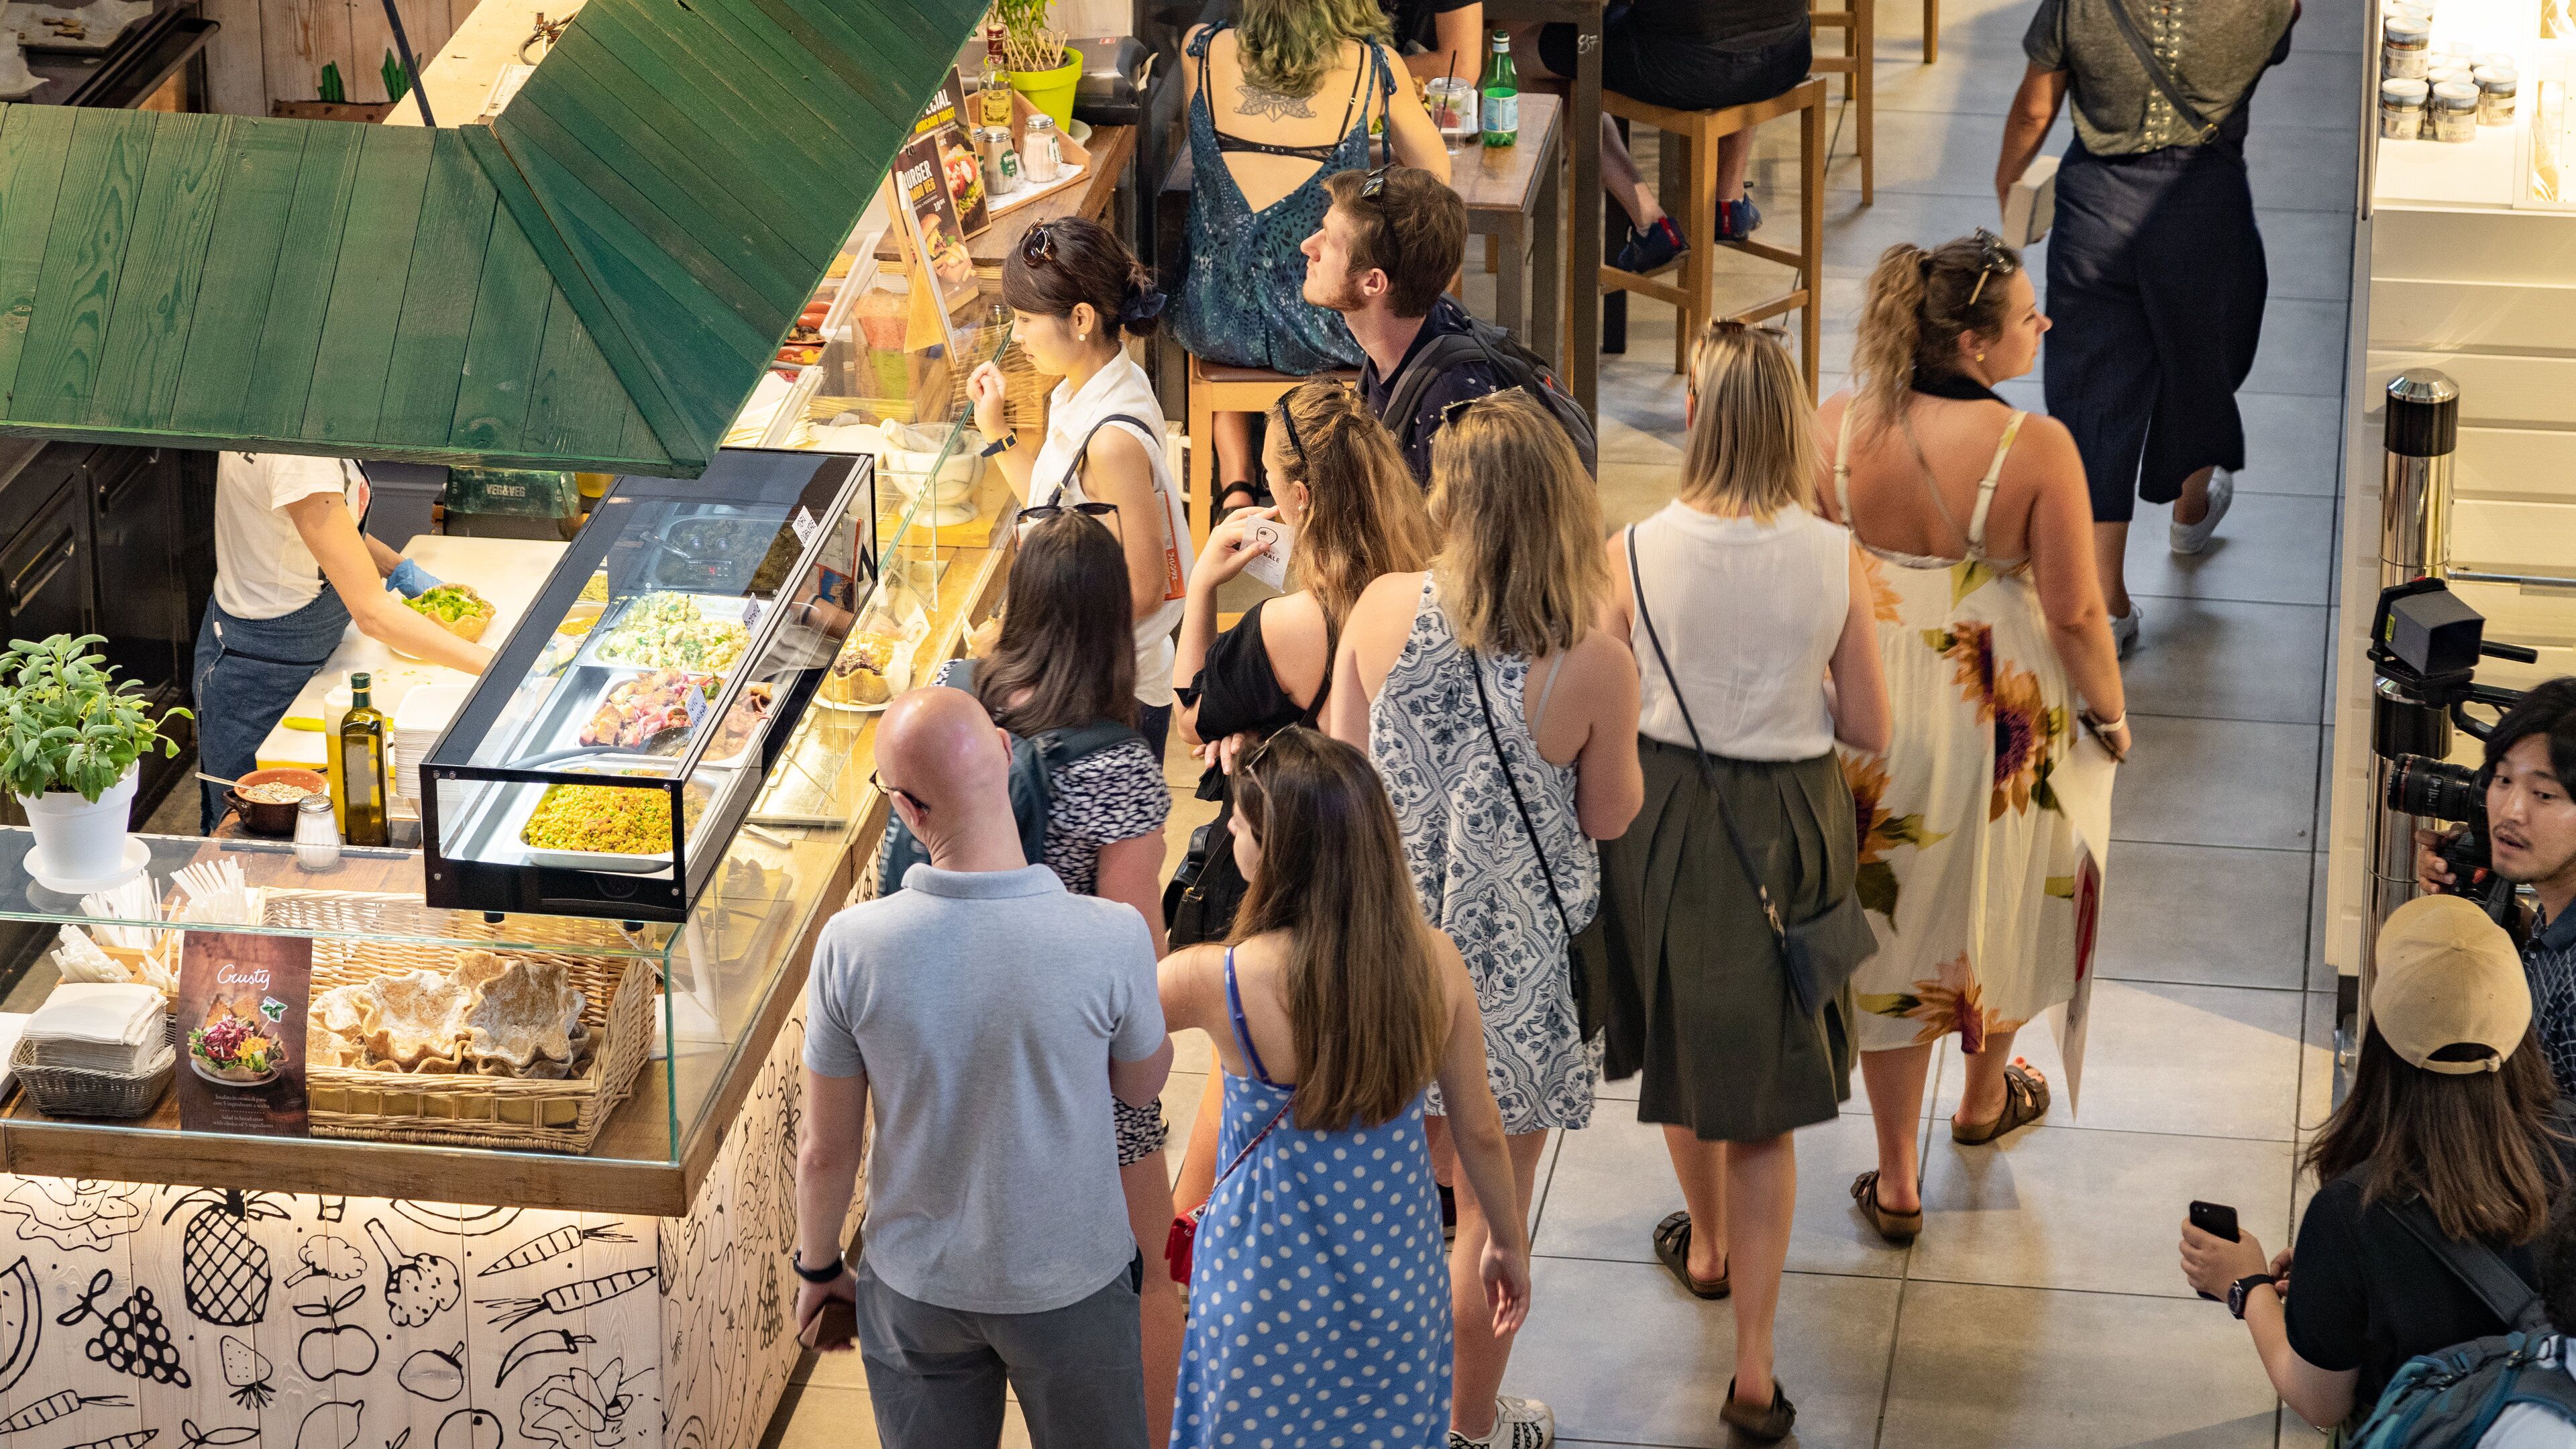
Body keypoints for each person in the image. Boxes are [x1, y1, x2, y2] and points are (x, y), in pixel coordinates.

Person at [1327, 388, 1644, 1448]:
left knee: (1401, 1209)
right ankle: (1466, 1429)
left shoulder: (1377, 611)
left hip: (1389, 953)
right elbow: (1607, 814)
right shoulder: (1592, 661)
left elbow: (1342, 773)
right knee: (1489, 1220)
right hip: (1513, 979)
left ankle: (1383, 1409)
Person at [1596, 321, 1890, 1444]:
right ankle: (1756, 1372)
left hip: (1664, 815)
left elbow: (1597, 697)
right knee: (1768, 1106)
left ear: (1697, 418)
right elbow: (1870, 727)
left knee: (1680, 1046)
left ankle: (1705, 1245)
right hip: (1792, 823)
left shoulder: (1631, 551)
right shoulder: (1832, 554)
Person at [1816, 234, 2129, 1244]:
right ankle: (1985, 1100)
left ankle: (1897, 1177)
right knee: (1993, 898)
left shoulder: (1833, 427)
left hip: (1865, 704)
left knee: (1894, 935)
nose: (2045, 326)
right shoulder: (2035, 450)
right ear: (1972, 344)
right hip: (1995, 712)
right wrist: (2114, 717)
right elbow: (2079, 612)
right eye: (2028, 318)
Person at [794, 687, 1173, 1448]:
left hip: (916, 1286)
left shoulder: (852, 945)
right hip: (1072, 1279)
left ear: (907, 809)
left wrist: (820, 1266)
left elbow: (826, 1150)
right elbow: (1141, 1085)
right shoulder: (1112, 935)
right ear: (1005, 752)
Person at [1160, 728, 1530, 1449]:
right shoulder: (1436, 964)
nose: (1231, 834)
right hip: (1396, 1278)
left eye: (1239, 825)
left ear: (1276, 853)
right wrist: (1506, 1243)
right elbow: (1479, 1129)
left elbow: (1108, 1039)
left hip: (1259, 1285)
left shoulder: (1220, 978)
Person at [919, 511, 1183, 1442]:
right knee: (1151, 1272)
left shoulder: (949, 710)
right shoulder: (1119, 768)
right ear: (1114, 621)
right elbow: (1133, 959)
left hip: (951, 1050)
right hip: (1073, 1073)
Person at [1165, 378, 1435, 1210]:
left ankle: (1190, 1243)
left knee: (1239, 1072)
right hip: (1395, 863)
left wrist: (1206, 585)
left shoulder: (1295, 622)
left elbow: (1191, 716)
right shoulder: (1425, 580)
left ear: (1300, 498)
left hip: (1290, 872)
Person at [2178, 894, 2571, 1435]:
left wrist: (2245, 1286)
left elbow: (2321, 1402)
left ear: (2382, 1034)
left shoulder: (2350, 1213)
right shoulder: (2566, 1140)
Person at [1996, 0, 2298, 655]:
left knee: (2095, 398)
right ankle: (2191, 514)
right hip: (2204, 206)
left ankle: (2107, 603)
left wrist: (2009, 188)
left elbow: (2033, 109)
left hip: (2095, 214)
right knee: (2200, 364)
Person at [1175, 0, 1448, 513]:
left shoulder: (1202, 49)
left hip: (1214, 321)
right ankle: (1337, 488)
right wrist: (1358, 187)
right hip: (1325, 329)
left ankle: (1236, 484)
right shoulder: (1375, 66)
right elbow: (1434, 182)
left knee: (1232, 270)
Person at [966, 217, 1192, 757]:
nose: (1015, 337)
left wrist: (1018, 636)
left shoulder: (1111, 440)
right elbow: (1055, 510)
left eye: (1024, 319)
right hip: (1093, 677)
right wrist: (997, 433)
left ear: (1082, 318)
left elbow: (1143, 588)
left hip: (1114, 698)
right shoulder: (1093, 383)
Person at [196, 452, 494, 830]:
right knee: (254, 835)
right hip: (260, 673)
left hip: (301, 650)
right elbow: (372, 614)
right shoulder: (299, 459)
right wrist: (498, 665)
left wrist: (396, 568)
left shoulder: (289, 426)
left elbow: (321, 525)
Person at [1509, 0, 1812, 270]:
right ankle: (1729, 202)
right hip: (1788, 53)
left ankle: (1649, 222)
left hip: (1687, 67)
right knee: (1747, 28)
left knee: (1522, 53)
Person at [2417, 678, 2576, 1095]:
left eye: (2544, 794)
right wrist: (2474, 911)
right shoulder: (2557, 901)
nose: (2510, 811)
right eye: (2503, 779)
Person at [1301, 165, 1506, 486]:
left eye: (1328, 241)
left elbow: (1457, 535)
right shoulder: (1401, 335)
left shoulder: (1451, 413)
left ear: (1373, 282)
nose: (1307, 246)